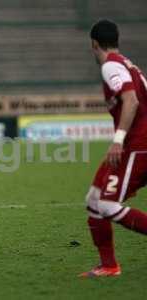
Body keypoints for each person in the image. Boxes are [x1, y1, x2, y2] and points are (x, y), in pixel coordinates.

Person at [81, 19, 147, 277]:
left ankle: (110, 266)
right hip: (137, 143)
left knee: (107, 205)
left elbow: (130, 99)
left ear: (94, 44)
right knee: (94, 199)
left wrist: (118, 139)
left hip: (138, 145)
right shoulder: (129, 64)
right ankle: (109, 266)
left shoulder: (110, 65)